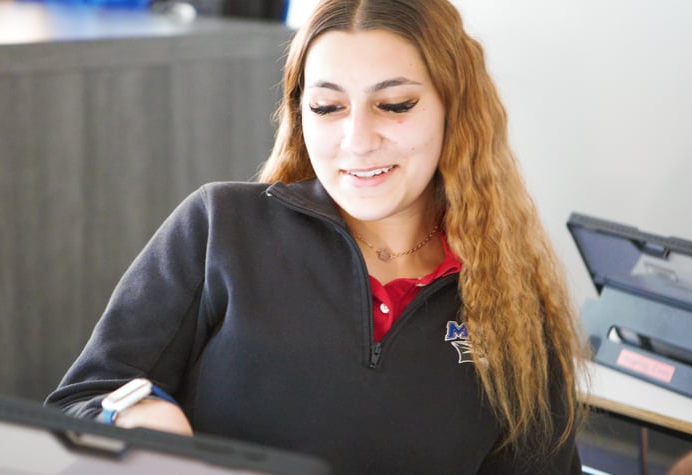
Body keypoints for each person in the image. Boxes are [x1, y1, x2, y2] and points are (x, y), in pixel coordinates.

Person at [46, 0, 588, 473]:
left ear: (456, 111)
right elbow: (77, 404)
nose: (357, 140)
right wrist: (134, 414)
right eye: (328, 107)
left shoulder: (514, 303)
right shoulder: (219, 229)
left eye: (395, 105)